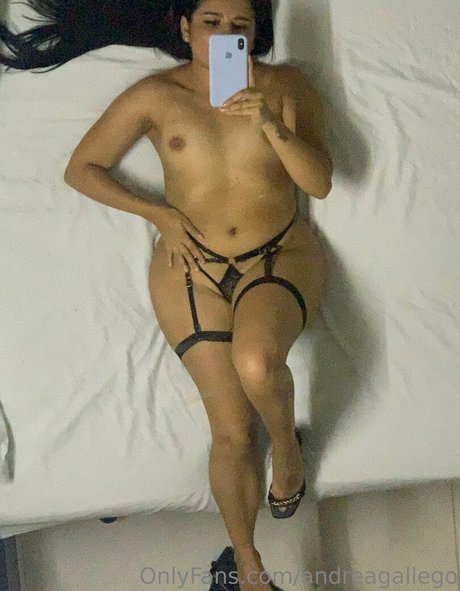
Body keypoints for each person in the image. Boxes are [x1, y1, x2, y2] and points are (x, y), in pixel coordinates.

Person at [1, 1, 333, 588]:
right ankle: (247, 566)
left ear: (257, 32)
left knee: (256, 362)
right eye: (211, 22)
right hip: (190, 269)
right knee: (230, 431)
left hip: (278, 253)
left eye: (240, 26)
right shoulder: (156, 96)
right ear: (185, 28)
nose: (225, 35)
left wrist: (271, 125)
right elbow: (83, 169)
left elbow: (319, 183)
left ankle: (287, 451)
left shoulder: (284, 86)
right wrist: (158, 213)